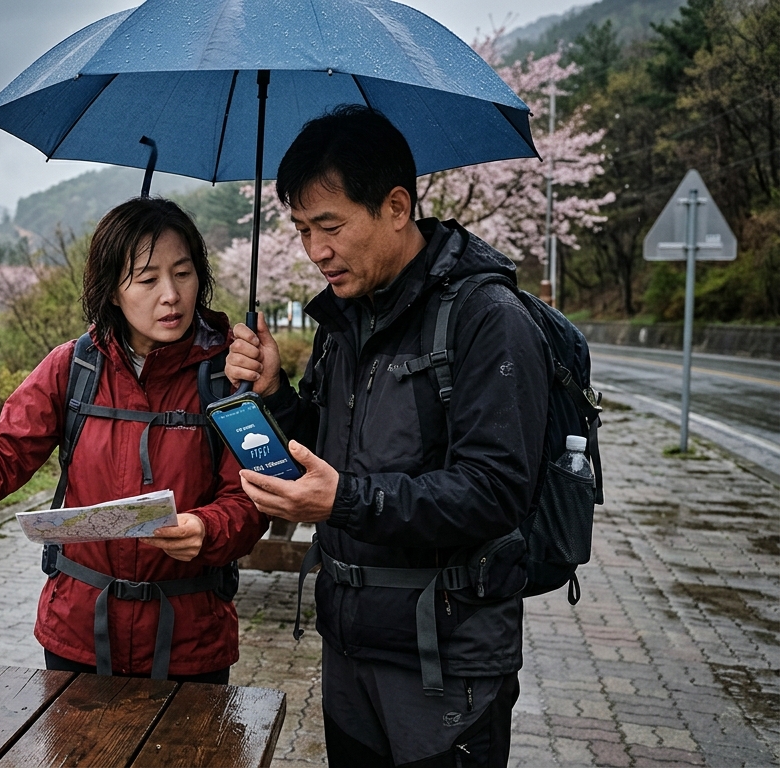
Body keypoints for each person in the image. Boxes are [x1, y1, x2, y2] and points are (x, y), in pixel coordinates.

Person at [226, 105, 549, 766]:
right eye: (301, 229)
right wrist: (275, 397)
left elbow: (494, 492)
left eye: (330, 226)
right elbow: (324, 451)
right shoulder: (344, 322)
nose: (316, 251)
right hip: (349, 647)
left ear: (396, 207)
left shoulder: (488, 319)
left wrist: (342, 502)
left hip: (446, 661)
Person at [0, 197, 267, 683]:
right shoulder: (73, 367)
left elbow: (252, 496)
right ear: (112, 291)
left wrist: (207, 528)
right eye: (147, 279)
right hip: (79, 634)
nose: (171, 295)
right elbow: (2, 455)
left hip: (187, 641)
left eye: (183, 274)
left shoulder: (229, 374)